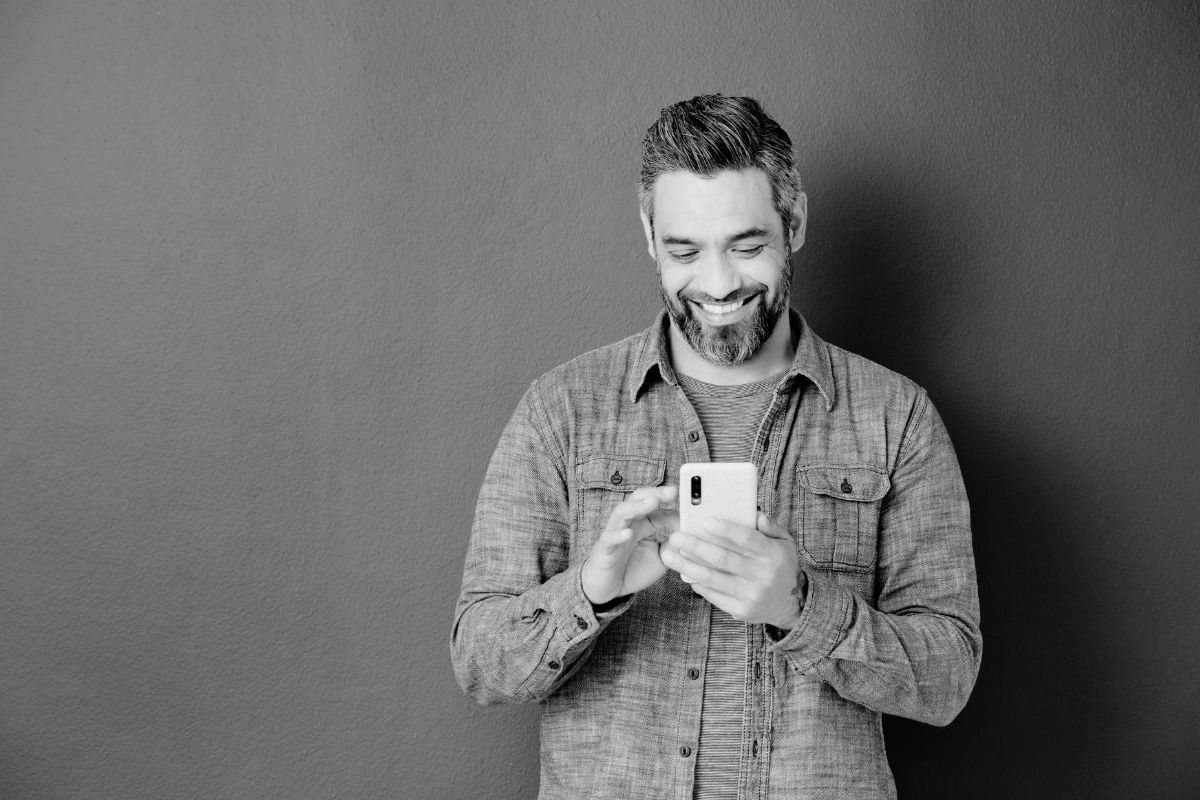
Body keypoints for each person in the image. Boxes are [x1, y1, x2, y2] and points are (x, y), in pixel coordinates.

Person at [451, 94, 981, 800]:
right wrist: (591, 590)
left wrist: (800, 606)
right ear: (648, 234)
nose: (720, 284)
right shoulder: (562, 410)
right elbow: (481, 663)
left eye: (747, 245)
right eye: (685, 251)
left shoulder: (897, 418)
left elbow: (946, 678)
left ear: (794, 223)